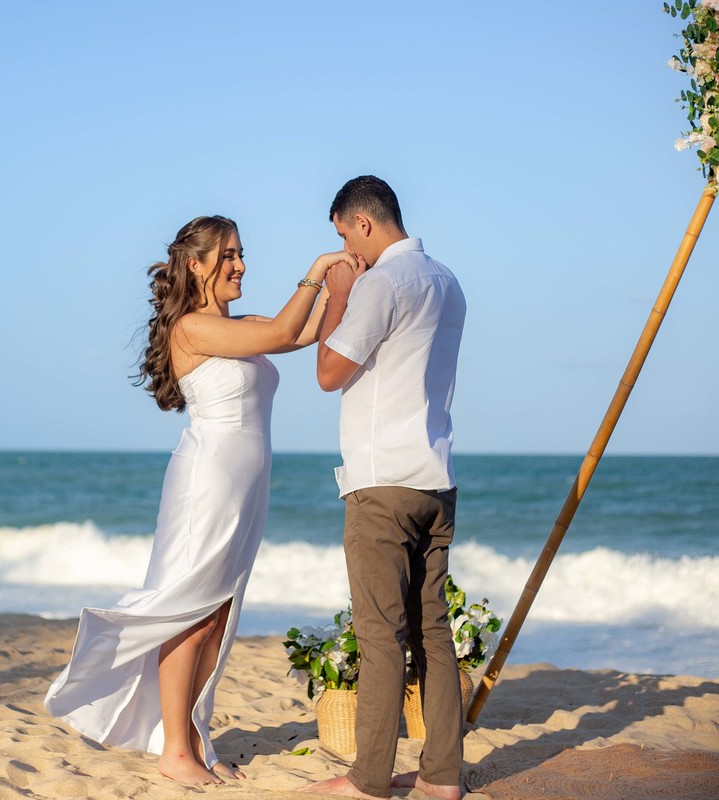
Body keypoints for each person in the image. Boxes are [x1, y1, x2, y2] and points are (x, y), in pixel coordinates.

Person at [45, 215, 354, 785]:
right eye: (229, 254)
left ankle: (191, 737)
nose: (240, 264)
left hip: (245, 487)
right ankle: (174, 754)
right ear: (197, 264)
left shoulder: (236, 327)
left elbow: (307, 331)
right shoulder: (191, 329)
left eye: (241, 253)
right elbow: (287, 332)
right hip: (205, 483)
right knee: (187, 612)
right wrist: (316, 270)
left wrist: (344, 283)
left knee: (216, 614)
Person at [304, 177, 467, 800]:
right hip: (435, 478)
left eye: (345, 234)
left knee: (379, 635)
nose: (348, 248)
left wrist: (340, 293)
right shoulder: (447, 281)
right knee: (433, 632)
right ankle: (441, 777)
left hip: (381, 484)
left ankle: (368, 781)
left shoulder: (379, 283)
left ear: (363, 223)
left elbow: (327, 373)